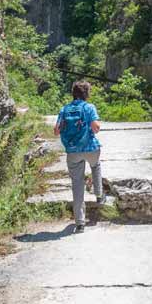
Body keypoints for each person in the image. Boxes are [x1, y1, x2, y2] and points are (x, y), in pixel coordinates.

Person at [55, 81, 104, 233]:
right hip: (90, 148)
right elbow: (96, 128)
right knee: (95, 166)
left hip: (72, 151)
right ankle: (99, 195)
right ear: (87, 93)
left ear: (73, 93)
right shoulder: (89, 107)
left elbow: (56, 131)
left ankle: (80, 223)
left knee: (77, 183)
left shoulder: (65, 109)